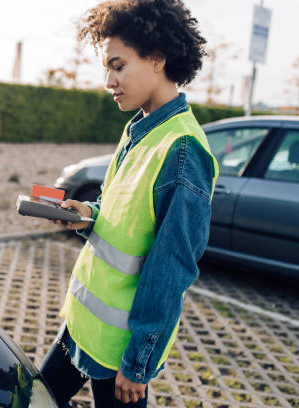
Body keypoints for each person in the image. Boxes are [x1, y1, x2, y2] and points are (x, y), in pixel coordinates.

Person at [40, 1, 218, 407]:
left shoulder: (184, 151)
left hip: (119, 350)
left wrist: (138, 363)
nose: (108, 81)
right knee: (37, 398)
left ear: (157, 58)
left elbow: (171, 268)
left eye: (117, 66)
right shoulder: (139, 126)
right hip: (81, 326)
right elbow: (118, 213)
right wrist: (87, 216)